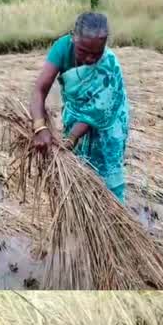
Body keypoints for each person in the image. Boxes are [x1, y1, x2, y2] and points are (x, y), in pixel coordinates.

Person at [31, 12, 130, 203]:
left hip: (107, 118)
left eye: (97, 53)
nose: (90, 59)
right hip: (76, 114)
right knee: (79, 168)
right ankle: (83, 205)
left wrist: (70, 139)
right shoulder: (62, 48)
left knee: (105, 169)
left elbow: (98, 109)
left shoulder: (108, 64)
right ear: (73, 37)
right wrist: (39, 127)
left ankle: (111, 206)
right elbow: (39, 90)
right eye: (83, 51)